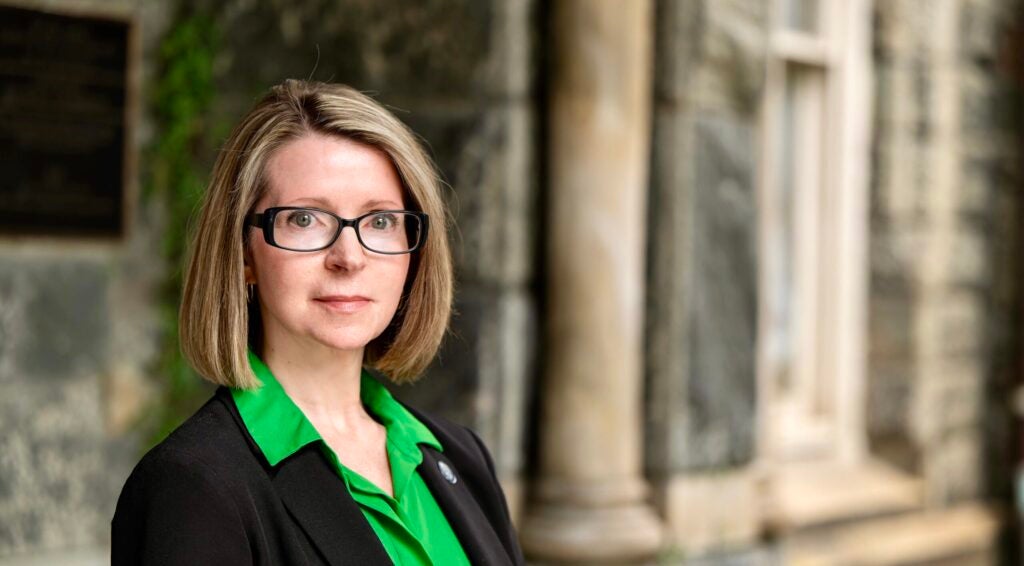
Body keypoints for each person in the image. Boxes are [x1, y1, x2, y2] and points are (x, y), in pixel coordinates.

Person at [111, 79, 525, 565]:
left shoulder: (459, 456)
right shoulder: (192, 487)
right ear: (244, 251)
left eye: (380, 221)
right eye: (305, 219)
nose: (348, 257)